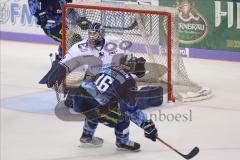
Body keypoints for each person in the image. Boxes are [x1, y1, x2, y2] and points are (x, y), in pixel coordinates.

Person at [40, 22, 162, 151]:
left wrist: (58, 74)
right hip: (92, 99)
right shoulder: (128, 81)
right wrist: (147, 125)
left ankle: (87, 135)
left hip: (80, 95)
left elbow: (71, 70)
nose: (92, 36)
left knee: (96, 105)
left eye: (95, 33)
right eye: (90, 33)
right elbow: (131, 109)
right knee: (121, 116)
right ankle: (122, 141)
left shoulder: (110, 60)